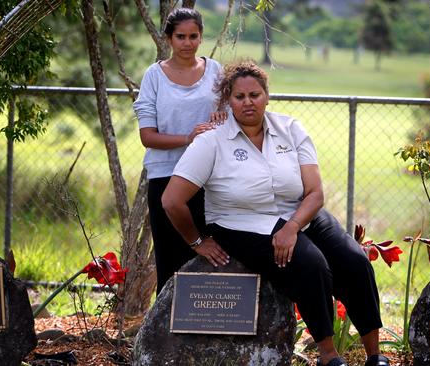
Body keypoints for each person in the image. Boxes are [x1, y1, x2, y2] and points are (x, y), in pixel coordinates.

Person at [161, 61, 390, 366]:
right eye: (239, 97)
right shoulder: (210, 142)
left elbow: (315, 193)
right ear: (228, 100)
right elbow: (171, 200)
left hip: (298, 213)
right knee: (312, 265)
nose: (247, 102)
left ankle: (375, 355)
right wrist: (197, 241)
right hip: (242, 222)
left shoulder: (291, 128)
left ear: (267, 95)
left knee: (355, 261)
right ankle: (328, 355)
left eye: (254, 94)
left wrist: (293, 225)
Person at [133, 8, 224, 294]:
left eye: (193, 36)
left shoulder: (215, 70)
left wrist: (222, 119)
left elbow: (227, 115)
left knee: (212, 260)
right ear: (169, 39)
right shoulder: (154, 76)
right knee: (171, 262)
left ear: (200, 37)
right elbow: (148, 137)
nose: (188, 43)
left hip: (210, 177)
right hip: (167, 176)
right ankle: (165, 334)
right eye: (181, 37)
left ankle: (212, 326)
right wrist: (188, 137)